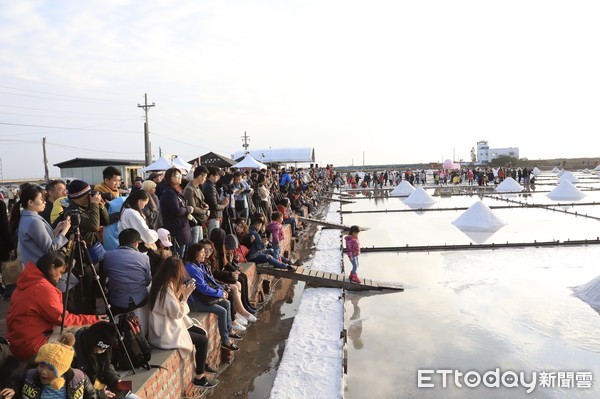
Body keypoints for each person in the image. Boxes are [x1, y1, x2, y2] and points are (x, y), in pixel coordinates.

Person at [6, 251, 103, 362]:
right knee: (79, 333)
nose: (60, 276)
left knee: (70, 327)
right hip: (31, 347)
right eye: (60, 272)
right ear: (52, 267)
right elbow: (63, 319)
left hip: (17, 344)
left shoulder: (28, 281)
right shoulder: (42, 288)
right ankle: (78, 369)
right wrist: (94, 320)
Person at [148, 257, 219, 388]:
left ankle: (202, 365)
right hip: (165, 333)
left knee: (200, 331)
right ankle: (199, 378)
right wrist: (185, 296)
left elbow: (171, 308)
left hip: (167, 326)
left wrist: (179, 292)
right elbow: (177, 313)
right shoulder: (164, 290)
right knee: (202, 341)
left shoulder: (160, 283)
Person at [184, 244, 240, 352]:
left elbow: (210, 281)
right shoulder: (191, 268)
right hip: (194, 301)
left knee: (227, 303)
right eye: (202, 252)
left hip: (203, 297)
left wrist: (222, 289)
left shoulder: (199, 265)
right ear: (195, 254)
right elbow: (203, 288)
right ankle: (225, 341)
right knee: (222, 311)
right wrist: (219, 293)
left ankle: (229, 331)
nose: (204, 254)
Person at [73, 322, 141, 399]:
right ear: (92, 342)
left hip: (102, 388)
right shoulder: (73, 352)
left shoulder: (105, 345)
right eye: (99, 348)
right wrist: (99, 394)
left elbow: (107, 366)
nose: (102, 351)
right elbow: (75, 387)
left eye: (105, 348)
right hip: (87, 393)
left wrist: (115, 379)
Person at [102, 229, 151, 333]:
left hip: (117, 302)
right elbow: (147, 281)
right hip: (139, 301)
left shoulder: (108, 255)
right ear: (136, 243)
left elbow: (104, 277)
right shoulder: (144, 257)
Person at [8, 185, 71, 267]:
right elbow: (50, 248)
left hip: (32, 265)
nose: (44, 202)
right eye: (41, 199)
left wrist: (56, 230)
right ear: (30, 202)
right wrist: (64, 231)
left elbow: (40, 241)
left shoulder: (26, 217)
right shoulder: (33, 221)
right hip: (39, 267)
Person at [19, 333, 97, 398]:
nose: (43, 372)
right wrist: (12, 390)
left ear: (63, 369)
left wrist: (102, 394)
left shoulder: (78, 377)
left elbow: (92, 394)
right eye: (41, 365)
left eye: (51, 368)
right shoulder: (30, 376)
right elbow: (15, 387)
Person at [159, 168, 193, 258]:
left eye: (180, 176)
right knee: (177, 257)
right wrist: (187, 209)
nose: (180, 178)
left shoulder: (176, 190)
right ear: (170, 177)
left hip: (181, 228)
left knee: (181, 256)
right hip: (176, 229)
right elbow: (176, 210)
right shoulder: (169, 192)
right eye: (177, 176)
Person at [184, 165, 210, 245]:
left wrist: (206, 205)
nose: (205, 179)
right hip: (194, 220)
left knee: (199, 244)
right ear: (199, 177)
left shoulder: (197, 187)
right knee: (195, 246)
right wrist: (205, 211)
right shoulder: (189, 189)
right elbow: (193, 208)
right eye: (204, 177)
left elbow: (201, 201)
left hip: (199, 221)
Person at [202, 166, 229, 238]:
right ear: (211, 175)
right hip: (213, 216)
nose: (218, 177)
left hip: (212, 216)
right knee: (214, 239)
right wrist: (224, 205)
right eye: (217, 175)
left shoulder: (209, 185)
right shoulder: (209, 186)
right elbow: (214, 205)